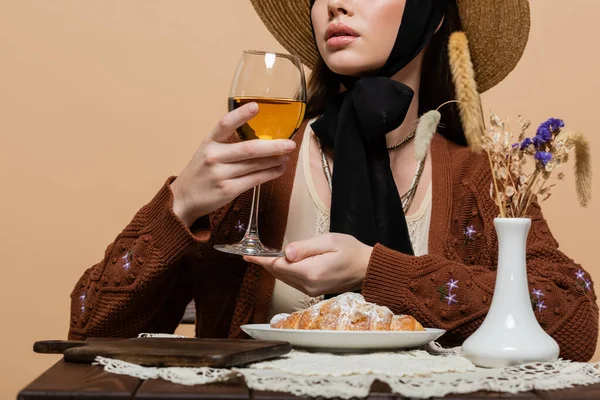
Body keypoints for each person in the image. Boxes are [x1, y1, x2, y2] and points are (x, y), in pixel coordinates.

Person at [69, 0, 598, 361]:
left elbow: (573, 324)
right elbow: (89, 329)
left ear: (430, 14)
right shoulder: (255, 163)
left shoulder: (477, 177)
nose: (335, 4)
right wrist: (179, 208)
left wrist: (375, 269)